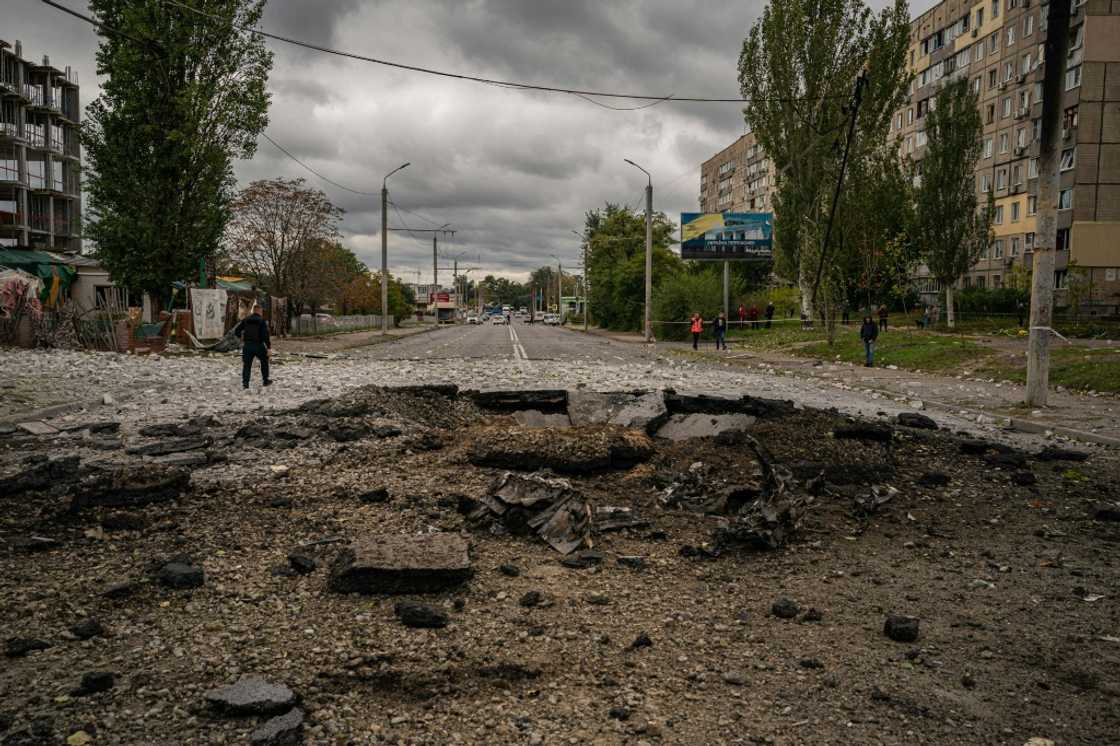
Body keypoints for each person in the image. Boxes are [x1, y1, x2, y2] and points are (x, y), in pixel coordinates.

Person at [234, 303, 271, 389]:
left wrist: (241, 337)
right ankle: (265, 380)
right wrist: (268, 348)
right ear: (260, 311)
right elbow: (265, 335)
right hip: (258, 345)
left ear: (253, 310)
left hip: (247, 346)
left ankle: (245, 384)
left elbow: (236, 331)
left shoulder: (246, 319)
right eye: (261, 311)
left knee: (247, 365)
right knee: (264, 361)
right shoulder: (262, 321)